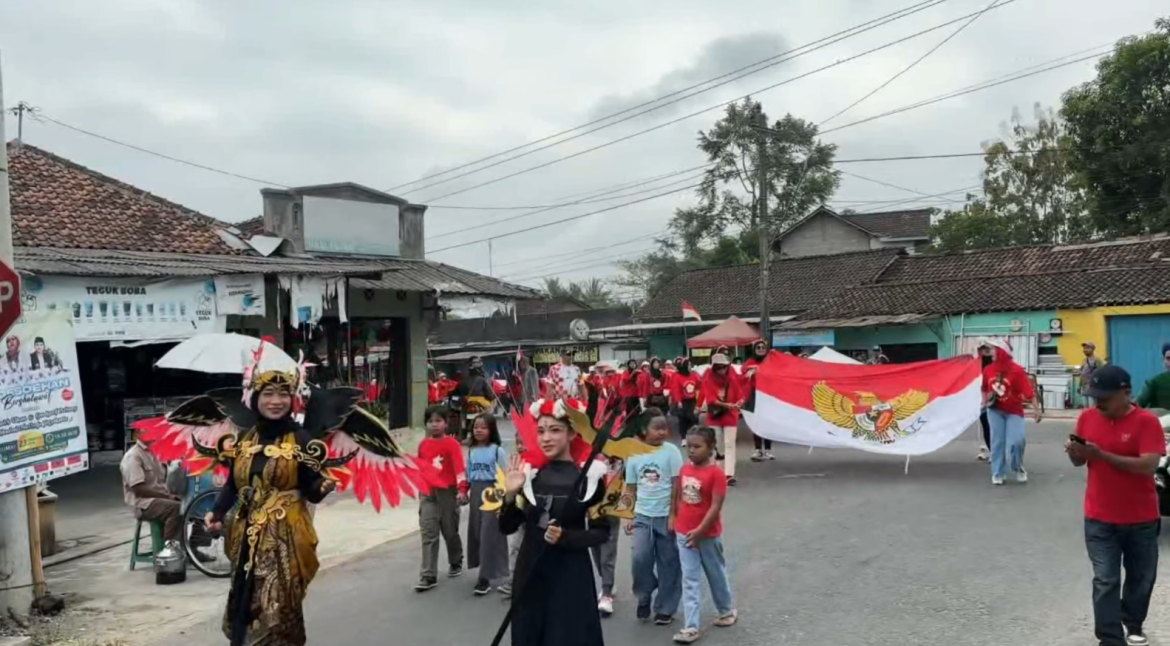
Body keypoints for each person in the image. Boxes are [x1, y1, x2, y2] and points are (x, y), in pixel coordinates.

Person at [205, 374, 337, 645]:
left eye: (283, 395)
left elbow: (311, 485)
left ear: (292, 400)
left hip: (283, 538)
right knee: (245, 598)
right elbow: (233, 483)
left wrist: (323, 486)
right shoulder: (245, 437)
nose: (276, 401)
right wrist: (216, 513)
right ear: (255, 399)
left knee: (276, 603)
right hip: (245, 535)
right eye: (268, 394)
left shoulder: (301, 438)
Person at [1066, 365, 1163, 646]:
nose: (1098, 402)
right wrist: (1076, 453)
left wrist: (1101, 454)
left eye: (1105, 396)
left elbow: (1149, 465)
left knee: (1141, 579)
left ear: (1126, 392)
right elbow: (1079, 462)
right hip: (1099, 517)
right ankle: (1110, 638)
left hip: (1141, 518)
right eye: (1095, 396)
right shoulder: (1086, 418)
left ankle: (1133, 622)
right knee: (1105, 579)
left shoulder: (1146, 422)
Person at [500, 400, 611, 646]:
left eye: (555, 430)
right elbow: (507, 526)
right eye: (541, 431)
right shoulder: (530, 476)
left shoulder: (589, 478)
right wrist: (509, 495)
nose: (546, 438)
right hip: (530, 570)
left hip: (570, 575)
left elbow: (601, 532)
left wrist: (566, 537)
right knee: (530, 633)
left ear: (572, 433)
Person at [670, 427, 737, 644]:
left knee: (715, 573)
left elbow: (716, 506)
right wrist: (673, 516)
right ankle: (691, 627)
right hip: (684, 532)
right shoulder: (684, 469)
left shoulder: (716, 473)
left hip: (707, 534)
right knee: (690, 579)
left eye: (697, 446)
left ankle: (726, 610)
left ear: (710, 448)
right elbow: (678, 494)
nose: (691, 450)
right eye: (688, 446)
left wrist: (700, 531)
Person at [623, 411, 683, 625]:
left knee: (669, 563)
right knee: (640, 559)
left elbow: (677, 484)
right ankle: (644, 594)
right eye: (656, 428)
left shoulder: (672, 452)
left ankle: (665, 608)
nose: (662, 432)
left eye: (664, 428)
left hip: (665, 516)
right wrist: (628, 515)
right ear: (643, 430)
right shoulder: (634, 454)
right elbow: (630, 486)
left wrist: (674, 515)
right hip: (642, 516)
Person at [415, 405, 468, 591]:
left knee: (450, 531)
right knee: (428, 534)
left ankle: (456, 560)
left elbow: (459, 469)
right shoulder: (423, 445)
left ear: (446, 424)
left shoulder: (452, 445)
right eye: (431, 421)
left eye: (438, 421)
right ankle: (428, 575)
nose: (434, 425)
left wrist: (462, 490)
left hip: (448, 493)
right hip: (428, 495)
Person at [981, 341, 1041, 486]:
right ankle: (998, 472)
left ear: (1002, 352)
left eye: (994, 350)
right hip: (995, 410)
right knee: (997, 442)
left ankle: (1017, 467)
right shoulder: (988, 370)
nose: (991, 353)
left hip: (1014, 411)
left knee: (1017, 441)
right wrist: (984, 403)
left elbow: (1029, 392)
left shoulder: (1017, 371)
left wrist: (1036, 409)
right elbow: (983, 388)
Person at [466, 414, 511, 596]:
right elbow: (468, 474)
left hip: (492, 493)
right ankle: (483, 568)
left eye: (483, 427)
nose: (478, 430)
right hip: (476, 493)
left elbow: (504, 475)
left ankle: (484, 577)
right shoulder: (471, 451)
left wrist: (504, 499)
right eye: (476, 427)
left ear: (491, 430)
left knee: (488, 534)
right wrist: (463, 491)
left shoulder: (496, 451)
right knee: (476, 532)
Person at [121, 426, 182, 543]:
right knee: (176, 508)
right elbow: (139, 490)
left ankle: (192, 548)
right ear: (138, 434)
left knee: (191, 504)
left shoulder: (155, 452)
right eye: (147, 430)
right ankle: (169, 549)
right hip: (144, 503)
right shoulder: (133, 456)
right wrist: (168, 496)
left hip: (160, 497)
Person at [700, 353, 745, 485]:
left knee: (730, 445)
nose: (722, 370)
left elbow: (741, 396)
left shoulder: (732, 379)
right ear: (714, 368)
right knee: (718, 447)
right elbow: (710, 399)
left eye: (724, 367)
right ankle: (718, 473)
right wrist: (728, 405)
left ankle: (729, 474)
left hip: (730, 416)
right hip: (715, 415)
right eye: (719, 367)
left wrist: (739, 403)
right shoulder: (708, 379)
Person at [742, 341, 774, 462]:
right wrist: (751, 371)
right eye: (758, 347)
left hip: (768, 396)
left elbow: (776, 374)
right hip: (754, 396)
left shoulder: (770, 362)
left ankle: (768, 450)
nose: (760, 349)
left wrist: (760, 370)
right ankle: (758, 449)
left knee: (767, 424)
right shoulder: (749, 362)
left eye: (763, 347)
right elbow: (743, 372)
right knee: (756, 423)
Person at [671, 358, 702, 443]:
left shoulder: (694, 375)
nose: (689, 367)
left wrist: (699, 398)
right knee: (683, 420)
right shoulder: (678, 376)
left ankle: (695, 437)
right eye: (688, 365)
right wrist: (679, 401)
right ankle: (684, 438)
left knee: (694, 419)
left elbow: (699, 385)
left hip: (692, 400)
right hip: (683, 401)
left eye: (690, 365)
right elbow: (676, 390)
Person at [1136, 343, 1170, 411]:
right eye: (1169, 358)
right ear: (1163, 360)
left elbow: (1135, 407)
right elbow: (1138, 404)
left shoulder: (1154, 381)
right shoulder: (1154, 382)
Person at [976, 345, 994, 461]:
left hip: (992, 400)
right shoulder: (976, 365)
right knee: (985, 426)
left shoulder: (992, 365)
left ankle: (993, 451)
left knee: (990, 427)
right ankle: (986, 450)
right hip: (982, 400)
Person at [1081, 342, 1104, 407]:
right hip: (1084, 386)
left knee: (1092, 406)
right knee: (1085, 406)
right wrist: (1080, 385)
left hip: (1092, 386)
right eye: (1084, 348)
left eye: (1087, 348)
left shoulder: (1097, 360)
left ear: (1092, 349)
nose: (1085, 350)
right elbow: (1082, 372)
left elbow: (1101, 372)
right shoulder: (1084, 360)